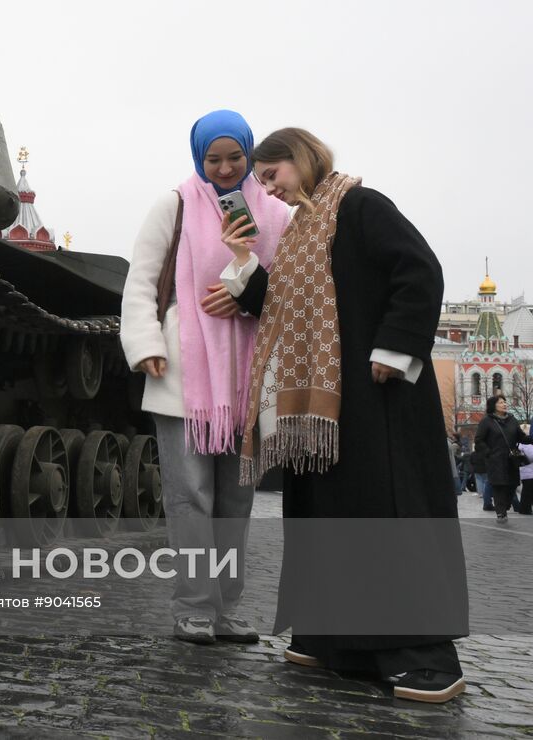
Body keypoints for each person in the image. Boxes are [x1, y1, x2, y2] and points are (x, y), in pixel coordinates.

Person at [222, 127, 466, 704]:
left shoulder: (360, 206)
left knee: (385, 515)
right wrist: (242, 261)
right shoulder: (302, 230)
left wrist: (394, 348)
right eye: (260, 181)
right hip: (323, 409)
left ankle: (424, 655)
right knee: (329, 519)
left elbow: (420, 270)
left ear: (299, 160)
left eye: (270, 175)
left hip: (376, 395)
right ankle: (336, 640)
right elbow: (278, 305)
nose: (268, 189)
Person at [120, 109, 290, 645]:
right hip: (184, 374)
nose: (223, 168)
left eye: (235, 158)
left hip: (248, 369)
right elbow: (142, 281)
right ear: (198, 157)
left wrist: (244, 298)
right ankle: (194, 606)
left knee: (237, 501)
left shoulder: (277, 215)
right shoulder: (173, 204)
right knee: (191, 496)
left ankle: (227, 608)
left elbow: (285, 293)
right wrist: (145, 344)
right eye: (213, 159)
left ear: (249, 153)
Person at [476, 396, 523, 523]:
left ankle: (505, 506)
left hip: (511, 460)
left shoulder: (512, 420)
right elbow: (479, 440)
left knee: (512, 485)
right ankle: (501, 513)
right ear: (493, 406)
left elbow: (521, 437)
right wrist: (489, 453)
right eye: (501, 402)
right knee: (499, 486)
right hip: (496, 460)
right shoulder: (487, 421)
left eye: (504, 402)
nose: (504, 404)